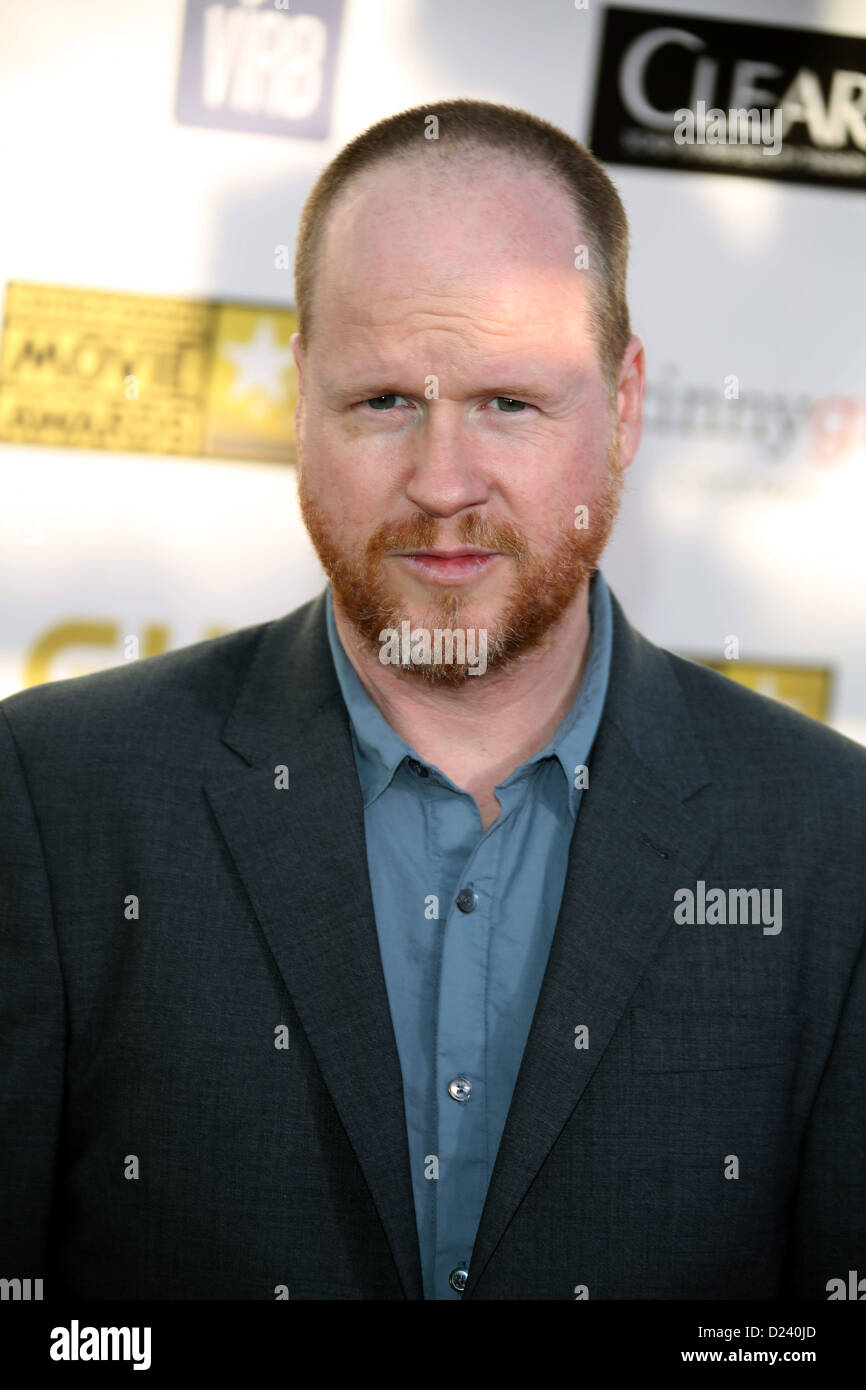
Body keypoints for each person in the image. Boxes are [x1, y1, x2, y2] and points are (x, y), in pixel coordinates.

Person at [1, 99, 864, 1302]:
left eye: (509, 402)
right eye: (383, 402)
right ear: (299, 397)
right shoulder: (53, 798)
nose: (443, 482)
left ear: (622, 407)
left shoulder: (832, 840)